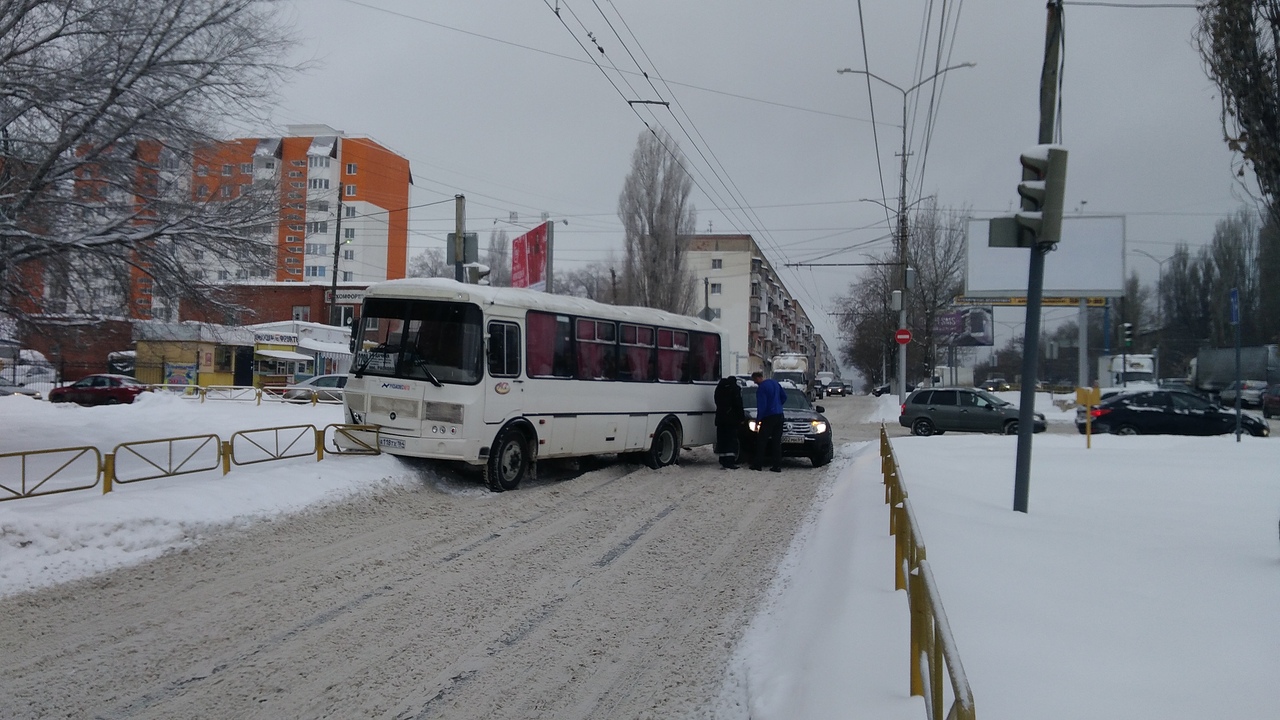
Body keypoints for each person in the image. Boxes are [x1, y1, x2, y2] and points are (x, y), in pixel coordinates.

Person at [751, 371, 786, 472]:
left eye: (755, 381)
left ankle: (758, 464)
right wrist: (778, 405)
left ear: (758, 378)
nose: (755, 383)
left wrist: (758, 420)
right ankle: (777, 466)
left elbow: (762, 406)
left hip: (769, 416)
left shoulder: (762, 388)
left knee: (762, 441)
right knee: (776, 441)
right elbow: (784, 397)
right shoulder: (775, 383)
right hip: (779, 414)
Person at [714, 376, 745, 469]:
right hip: (731, 420)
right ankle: (730, 461)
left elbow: (717, 402)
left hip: (720, 419)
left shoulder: (719, 389)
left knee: (722, 439)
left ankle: (722, 458)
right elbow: (738, 404)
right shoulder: (734, 390)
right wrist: (741, 418)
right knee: (731, 440)